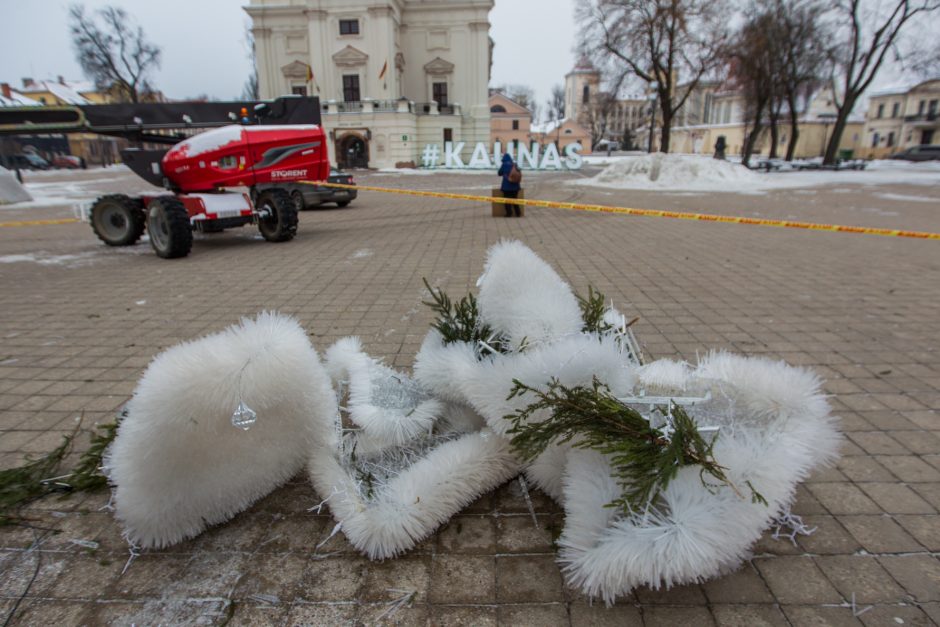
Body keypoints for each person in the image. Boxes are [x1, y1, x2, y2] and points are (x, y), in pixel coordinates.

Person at [497, 153, 521, 217]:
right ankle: (518, 213)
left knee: (507, 201)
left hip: (507, 187)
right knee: (515, 200)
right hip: (515, 186)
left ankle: (509, 213)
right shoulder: (514, 165)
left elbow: (499, 173)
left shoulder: (504, 165)